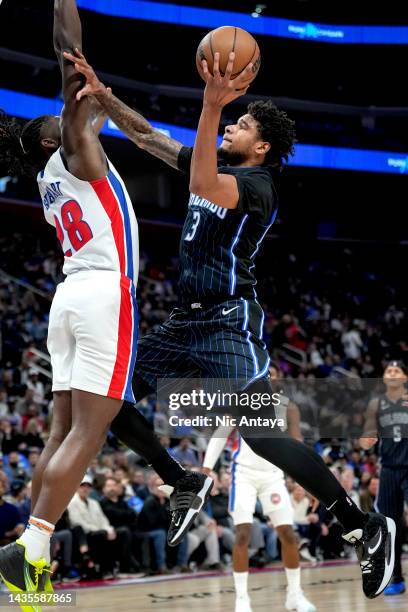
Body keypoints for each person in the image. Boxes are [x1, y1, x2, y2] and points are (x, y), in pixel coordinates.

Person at [62, 46, 396, 598]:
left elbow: (201, 185)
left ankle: (360, 523)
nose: (232, 126)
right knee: (104, 404)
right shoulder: (208, 162)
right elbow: (147, 136)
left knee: (263, 436)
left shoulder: (259, 187)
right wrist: (104, 96)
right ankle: (181, 480)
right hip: (182, 324)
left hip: (226, 323)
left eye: (241, 124)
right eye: (233, 118)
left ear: (260, 147)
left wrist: (212, 103)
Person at [0, 0, 212, 598]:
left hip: (68, 298)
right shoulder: (73, 149)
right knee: (91, 433)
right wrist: (65, 7)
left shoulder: (53, 175)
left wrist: (97, 96)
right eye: (67, 113)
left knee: (60, 431)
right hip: (102, 294)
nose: (77, 108)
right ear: (55, 137)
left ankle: (32, 564)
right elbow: (68, 55)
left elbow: (102, 105)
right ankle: (32, 544)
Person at [203, 397, 315, 611]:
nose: (268, 377)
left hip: (273, 475)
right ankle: (242, 599)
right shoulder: (243, 402)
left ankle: (294, 595)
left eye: (272, 373)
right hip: (243, 474)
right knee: (243, 533)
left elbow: (297, 445)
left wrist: (309, 480)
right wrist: (207, 468)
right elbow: (220, 433)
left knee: (289, 535)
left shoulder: (288, 406)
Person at [360, 360, 408, 595]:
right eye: (388, 370)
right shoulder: (376, 404)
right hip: (388, 470)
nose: (392, 373)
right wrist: (366, 440)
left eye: (397, 370)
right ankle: (396, 578)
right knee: (391, 526)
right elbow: (366, 435)